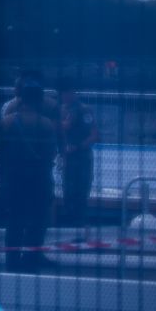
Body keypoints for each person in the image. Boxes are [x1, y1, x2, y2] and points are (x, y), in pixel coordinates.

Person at [0, 80, 57, 272]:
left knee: (14, 220)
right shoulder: (46, 124)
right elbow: (50, 154)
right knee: (38, 220)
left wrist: (2, 178)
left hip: (13, 179)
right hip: (38, 179)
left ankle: (12, 261)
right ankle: (32, 258)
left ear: (21, 99)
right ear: (39, 101)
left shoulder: (6, 122)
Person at [57, 76, 98, 232]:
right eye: (63, 94)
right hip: (67, 158)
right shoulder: (60, 110)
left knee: (81, 190)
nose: (65, 97)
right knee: (68, 190)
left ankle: (79, 222)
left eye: (68, 93)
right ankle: (69, 222)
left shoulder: (84, 110)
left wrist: (78, 147)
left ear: (73, 93)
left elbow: (94, 135)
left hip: (82, 158)